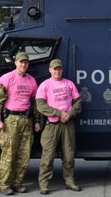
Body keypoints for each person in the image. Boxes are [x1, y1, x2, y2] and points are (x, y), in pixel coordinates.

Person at [0, 52, 40, 195]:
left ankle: (18, 183)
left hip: (26, 120)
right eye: (21, 62)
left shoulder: (31, 81)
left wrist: (37, 121)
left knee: (24, 154)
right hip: (11, 120)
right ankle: (5, 184)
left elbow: (35, 103)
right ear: (16, 63)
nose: (23, 65)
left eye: (26, 62)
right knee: (9, 154)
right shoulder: (6, 78)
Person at [36, 59, 82, 195]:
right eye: (54, 69)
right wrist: (58, 113)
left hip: (67, 124)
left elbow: (78, 102)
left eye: (59, 69)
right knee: (47, 156)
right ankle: (44, 184)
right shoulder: (45, 85)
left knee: (69, 155)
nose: (57, 71)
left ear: (62, 70)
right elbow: (40, 106)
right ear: (50, 70)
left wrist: (69, 114)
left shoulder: (69, 84)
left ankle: (69, 181)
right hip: (52, 126)